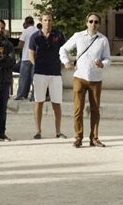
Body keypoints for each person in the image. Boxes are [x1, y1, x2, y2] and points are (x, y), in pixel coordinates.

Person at [59, 12, 111, 148]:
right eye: (91, 21)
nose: (93, 24)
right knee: (78, 109)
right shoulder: (78, 36)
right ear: (86, 22)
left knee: (95, 110)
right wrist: (66, 62)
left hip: (95, 78)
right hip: (79, 77)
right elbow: (63, 49)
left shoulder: (103, 40)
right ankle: (78, 137)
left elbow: (108, 59)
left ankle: (94, 138)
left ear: (99, 24)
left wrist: (103, 64)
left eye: (96, 22)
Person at [29, 12, 67, 140]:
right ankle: (38, 131)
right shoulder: (35, 37)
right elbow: (30, 55)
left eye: (50, 20)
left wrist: (62, 63)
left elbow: (64, 51)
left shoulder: (59, 35)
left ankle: (58, 131)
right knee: (38, 102)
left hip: (55, 74)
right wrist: (37, 65)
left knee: (56, 103)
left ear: (53, 21)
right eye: (45, 20)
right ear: (41, 21)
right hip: (39, 73)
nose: (48, 22)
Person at [14, 16, 37, 100]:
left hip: (26, 58)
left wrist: (15, 49)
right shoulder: (38, 31)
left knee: (24, 78)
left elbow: (20, 45)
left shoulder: (25, 31)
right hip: (35, 58)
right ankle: (34, 97)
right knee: (34, 78)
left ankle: (21, 95)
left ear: (26, 23)